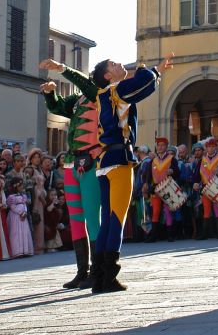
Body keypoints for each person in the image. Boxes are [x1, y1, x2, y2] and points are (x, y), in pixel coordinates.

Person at [90, 55, 170, 294]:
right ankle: (109, 277)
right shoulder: (116, 91)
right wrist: (154, 70)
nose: (119, 65)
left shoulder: (101, 95)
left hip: (104, 162)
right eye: (113, 65)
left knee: (107, 220)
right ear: (107, 75)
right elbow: (143, 83)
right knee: (117, 220)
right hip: (120, 160)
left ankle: (99, 277)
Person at [38, 57, 100, 287]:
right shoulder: (79, 99)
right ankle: (82, 270)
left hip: (91, 161)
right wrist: (50, 94)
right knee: (75, 219)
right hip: (72, 163)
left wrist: (63, 69)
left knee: (93, 218)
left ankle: (97, 269)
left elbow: (87, 86)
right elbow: (57, 107)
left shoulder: (99, 94)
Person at [141, 137, 181, 243]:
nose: (160, 147)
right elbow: (147, 174)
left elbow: (178, 173)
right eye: (158, 145)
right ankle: (154, 236)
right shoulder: (152, 161)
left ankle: (170, 235)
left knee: (168, 211)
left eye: (163, 145)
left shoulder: (172, 159)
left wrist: (172, 171)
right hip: (155, 189)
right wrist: (146, 183)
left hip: (168, 188)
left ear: (166, 147)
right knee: (155, 212)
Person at [192, 136, 218, 239]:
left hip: (217, 187)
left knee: (216, 209)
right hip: (206, 188)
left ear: (216, 147)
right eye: (209, 147)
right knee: (206, 209)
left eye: (212, 146)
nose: (210, 149)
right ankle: (205, 234)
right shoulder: (202, 160)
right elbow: (196, 175)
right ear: (206, 148)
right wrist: (195, 183)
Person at [6, 177, 34, 257]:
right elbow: (12, 206)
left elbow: (24, 204)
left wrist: (24, 212)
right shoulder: (11, 197)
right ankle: (17, 251)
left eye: (22, 185)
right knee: (16, 233)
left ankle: (25, 250)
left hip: (23, 216)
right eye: (20, 185)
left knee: (24, 232)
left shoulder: (23, 196)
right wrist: (20, 212)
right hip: (15, 217)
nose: (22, 187)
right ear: (15, 186)